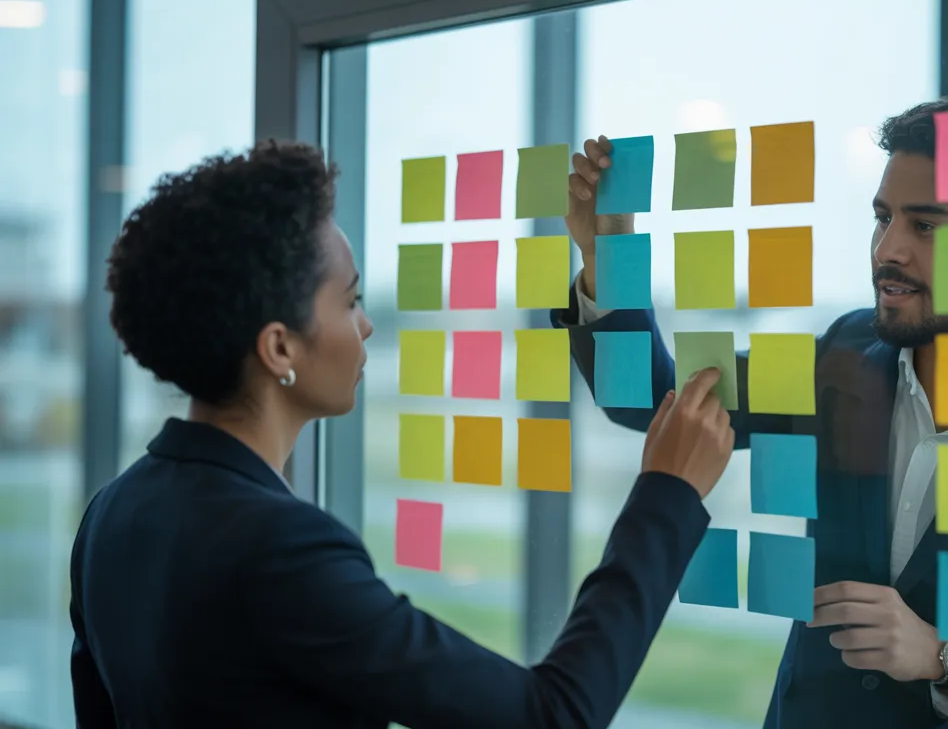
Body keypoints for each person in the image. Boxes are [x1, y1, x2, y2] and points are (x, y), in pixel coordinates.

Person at [552, 95, 948, 728]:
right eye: (883, 218)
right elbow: (655, 408)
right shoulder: (843, 353)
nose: (888, 250)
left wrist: (947, 659)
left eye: (926, 226)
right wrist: (609, 259)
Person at [69, 141, 736, 729]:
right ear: (278, 348)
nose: (365, 327)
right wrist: (664, 496)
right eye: (351, 300)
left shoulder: (112, 514)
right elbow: (551, 716)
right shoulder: (279, 550)